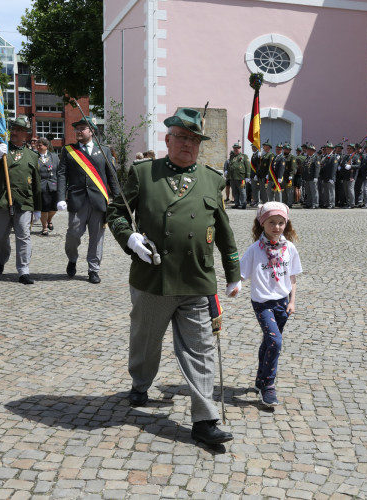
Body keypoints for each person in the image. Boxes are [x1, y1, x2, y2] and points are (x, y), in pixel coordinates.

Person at [106, 108, 241, 446]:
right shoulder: (143, 173)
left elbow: (223, 229)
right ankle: (140, 383)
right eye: (181, 137)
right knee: (146, 340)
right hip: (154, 277)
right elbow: (116, 212)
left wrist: (233, 272)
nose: (188, 144)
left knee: (201, 350)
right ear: (167, 140)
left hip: (196, 278)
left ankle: (205, 419)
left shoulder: (212, 179)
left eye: (194, 139)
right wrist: (130, 239)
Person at [239, 202, 301, 407]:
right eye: (272, 222)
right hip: (262, 303)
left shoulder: (289, 248)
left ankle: (259, 379)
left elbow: (292, 277)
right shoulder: (255, 250)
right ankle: (268, 385)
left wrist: (292, 301)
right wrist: (235, 286)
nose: (277, 227)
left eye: (281, 223)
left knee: (268, 342)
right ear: (262, 223)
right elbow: (240, 274)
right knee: (275, 342)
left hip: (283, 303)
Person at [57, 117, 120, 284]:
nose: (78, 131)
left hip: (98, 201)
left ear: (91, 131)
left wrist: (119, 198)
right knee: (73, 235)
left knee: (97, 237)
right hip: (77, 200)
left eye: (82, 128)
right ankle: (72, 258)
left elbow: (111, 176)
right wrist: (60, 197)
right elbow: (62, 175)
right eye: (77, 128)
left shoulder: (104, 150)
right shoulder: (69, 151)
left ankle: (93, 269)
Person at [0, 117, 42, 285]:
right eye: (13, 128)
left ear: (26, 134)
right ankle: (1, 259)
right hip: (2, 201)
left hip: (24, 201)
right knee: (0, 237)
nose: (13, 132)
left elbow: (36, 183)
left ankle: (23, 270)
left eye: (18, 129)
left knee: (24, 237)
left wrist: (37, 208)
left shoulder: (32, 155)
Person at [37, 137, 59, 236]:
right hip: (41, 186)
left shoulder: (54, 156)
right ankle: (44, 227)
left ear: (46, 146)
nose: (37, 147)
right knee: (44, 208)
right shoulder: (34, 156)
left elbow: (59, 170)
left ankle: (49, 219)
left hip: (53, 185)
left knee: (54, 208)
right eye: (37, 145)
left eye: (40, 145)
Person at [227, 142, 251, 209]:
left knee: (242, 191)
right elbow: (230, 166)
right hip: (232, 177)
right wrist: (227, 173)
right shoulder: (232, 156)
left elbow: (248, 166)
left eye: (237, 148)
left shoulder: (244, 156)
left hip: (241, 177)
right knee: (235, 191)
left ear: (240, 149)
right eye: (234, 148)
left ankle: (243, 203)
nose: (236, 149)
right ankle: (237, 203)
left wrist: (247, 177)